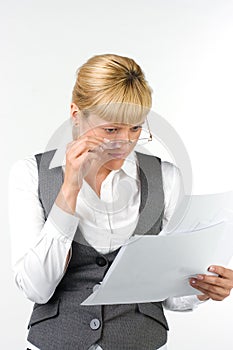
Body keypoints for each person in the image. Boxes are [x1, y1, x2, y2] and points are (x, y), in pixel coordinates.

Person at [8, 54, 233, 350]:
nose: (124, 143)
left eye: (136, 129)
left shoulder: (165, 178)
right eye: (111, 130)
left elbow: (171, 295)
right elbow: (37, 289)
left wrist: (204, 287)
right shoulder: (30, 174)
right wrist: (70, 189)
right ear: (77, 114)